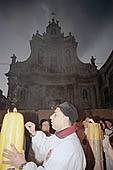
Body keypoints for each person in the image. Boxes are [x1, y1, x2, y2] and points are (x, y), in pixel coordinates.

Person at [3, 102, 86, 170]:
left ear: (66, 119)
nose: (51, 117)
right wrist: (34, 133)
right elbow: (46, 144)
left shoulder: (68, 148)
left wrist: (23, 165)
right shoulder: (62, 137)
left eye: (55, 114)